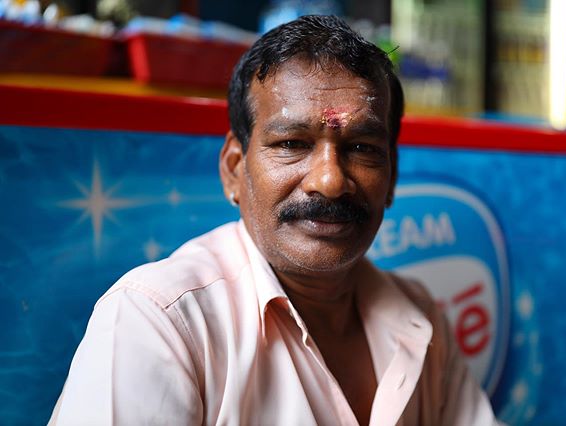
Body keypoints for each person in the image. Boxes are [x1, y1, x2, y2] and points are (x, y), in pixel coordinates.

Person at [49, 15, 500, 425]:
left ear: (393, 177)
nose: (329, 181)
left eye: (362, 148)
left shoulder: (420, 316)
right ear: (233, 170)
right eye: (291, 144)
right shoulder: (159, 324)